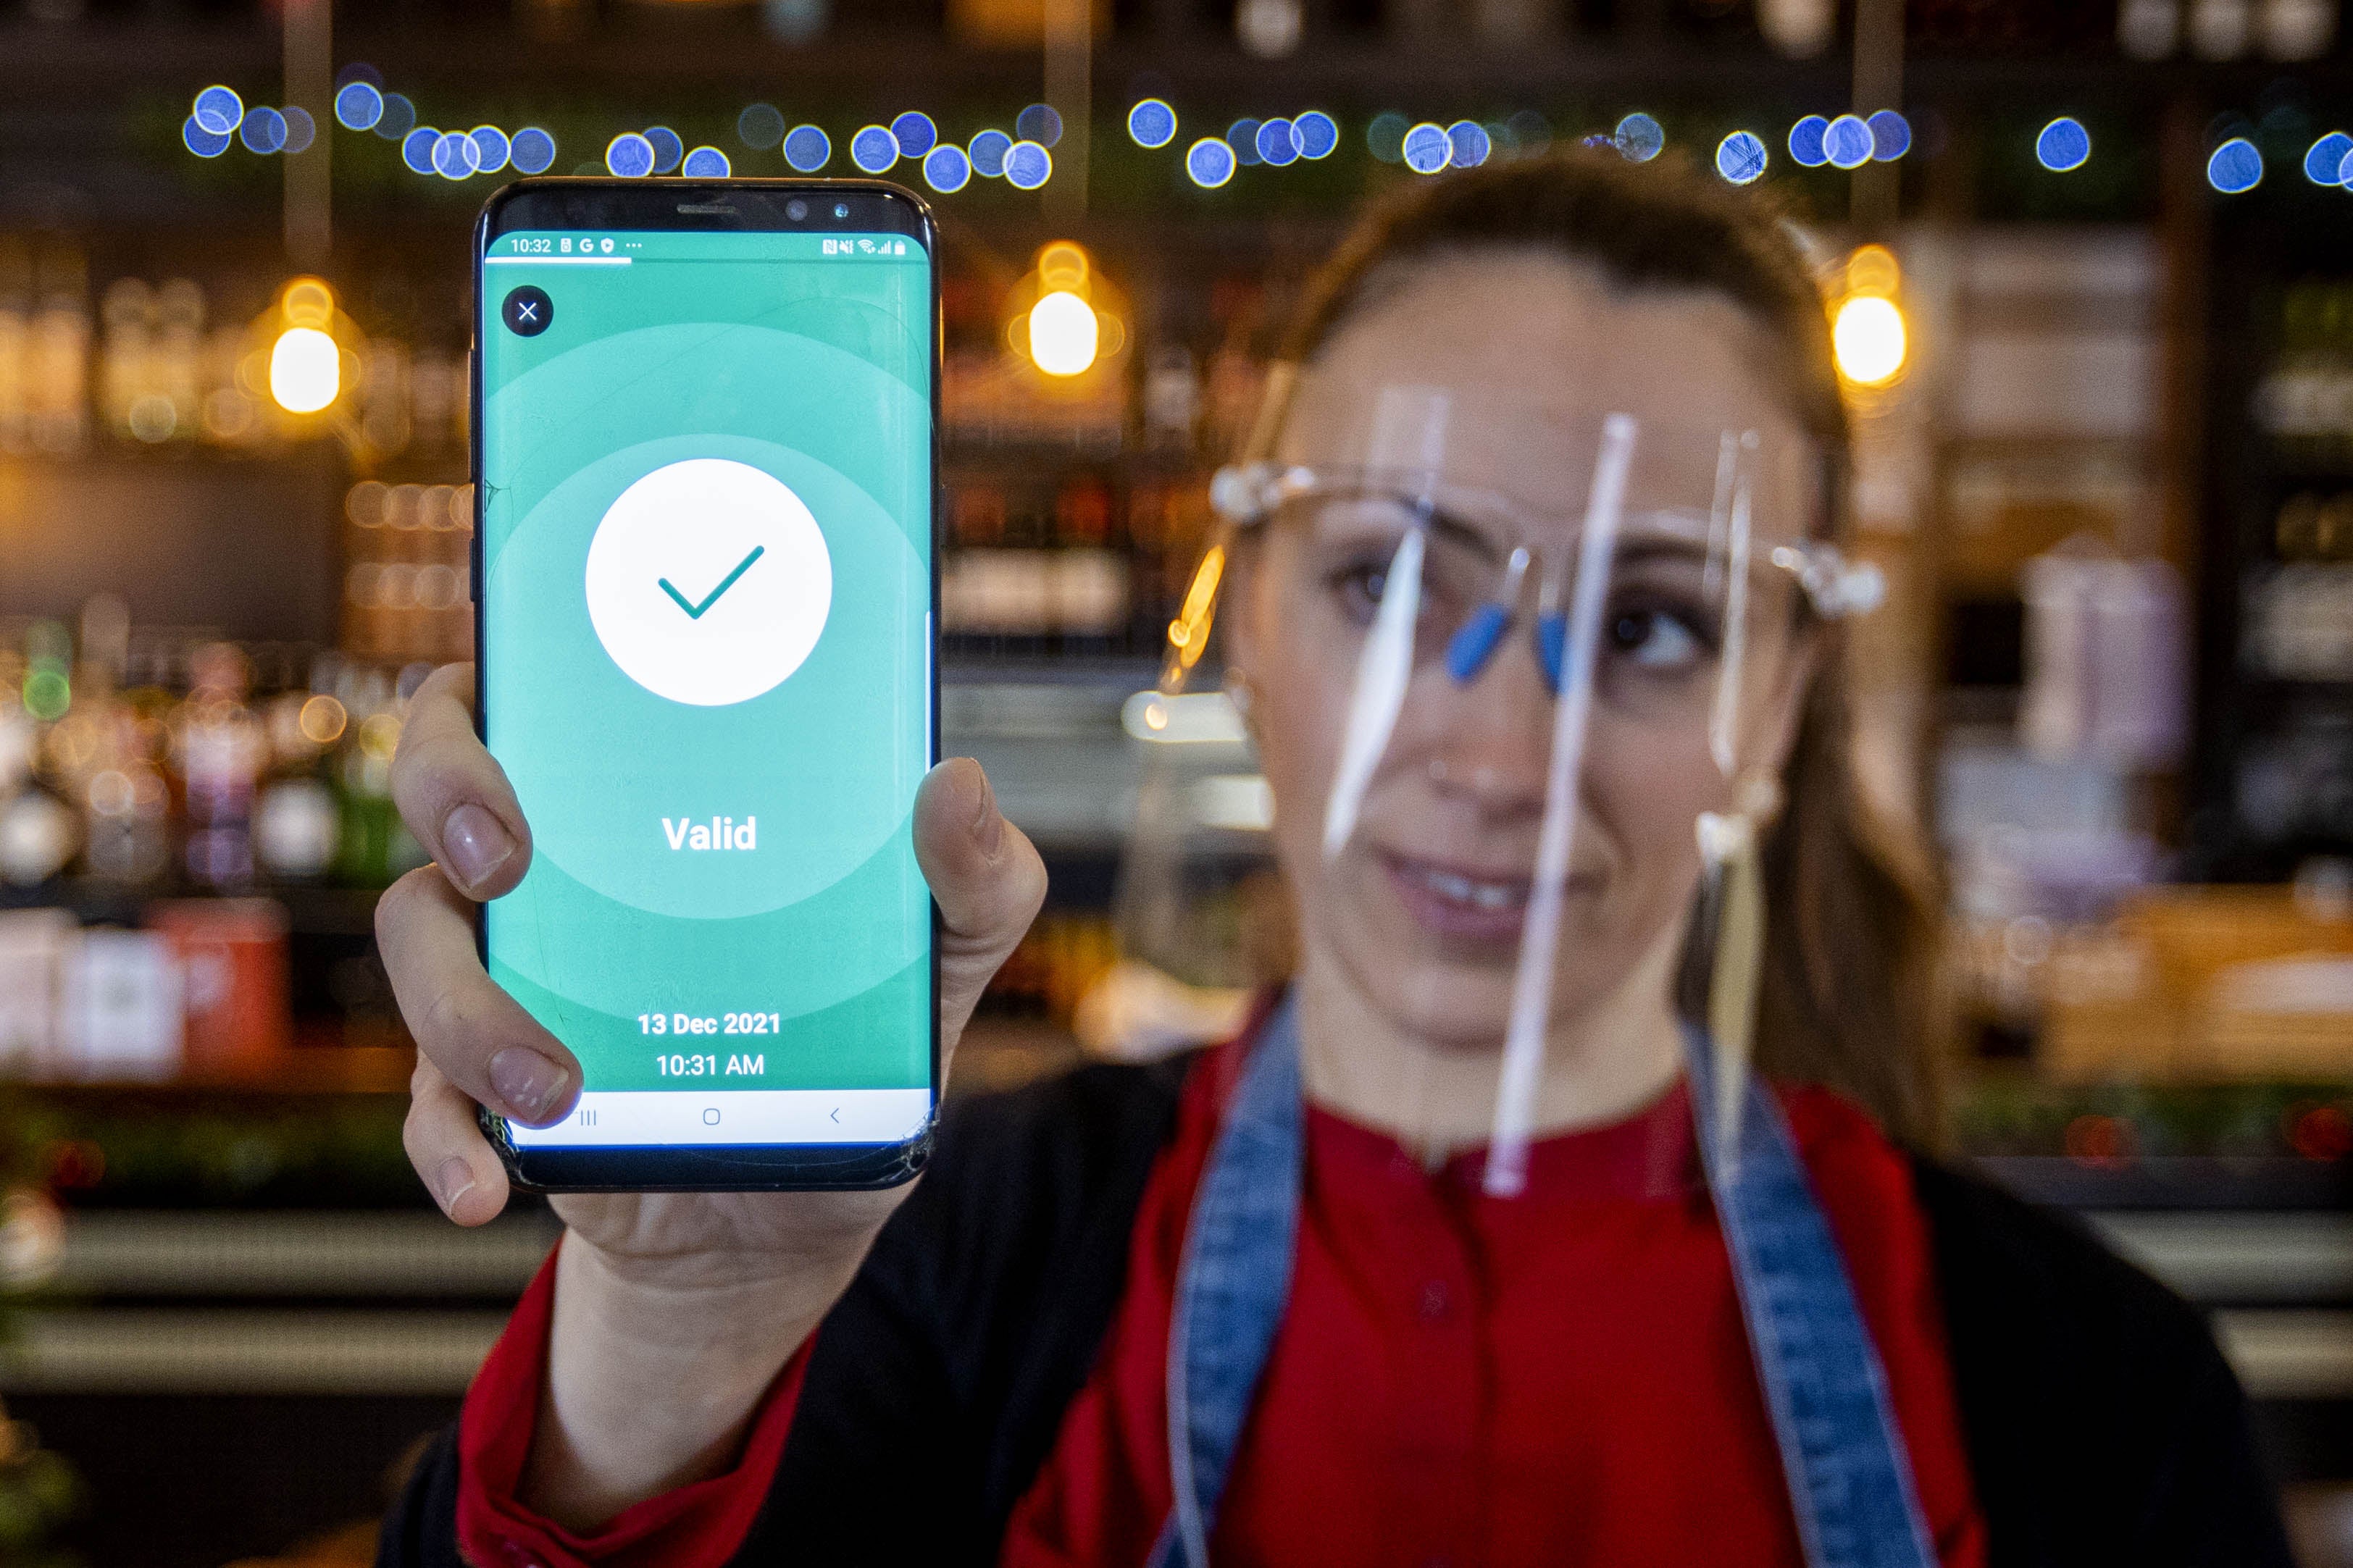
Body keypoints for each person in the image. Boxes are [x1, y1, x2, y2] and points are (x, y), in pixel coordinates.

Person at [374, 151, 2291, 1568]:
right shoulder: (926, 1268)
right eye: (1389, 583)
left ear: (1781, 709)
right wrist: (678, 1326)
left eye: (1652, 625)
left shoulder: (2096, 1403)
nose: (1495, 745)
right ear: (1254, 635)